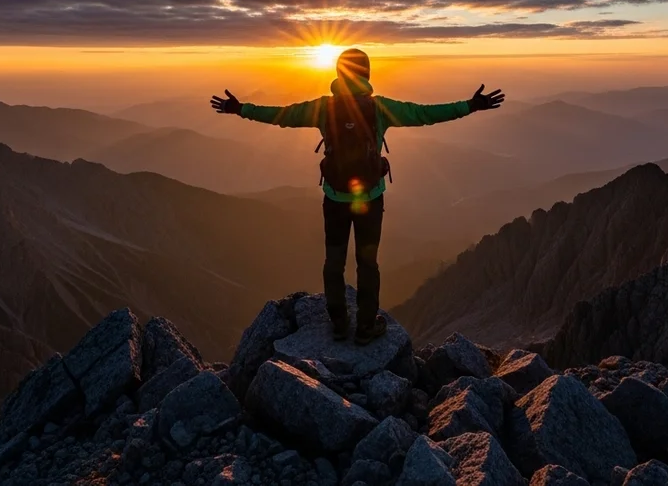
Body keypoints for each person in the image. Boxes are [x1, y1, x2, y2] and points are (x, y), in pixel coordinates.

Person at [210, 48, 504, 345]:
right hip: (370, 199)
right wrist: (470, 105)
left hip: (335, 198)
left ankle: (339, 323)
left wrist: (241, 109)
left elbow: (281, 115)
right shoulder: (379, 108)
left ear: (339, 73)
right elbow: (425, 114)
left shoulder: (324, 108)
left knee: (334, 260)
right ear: (367, 73)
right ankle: (366, 326)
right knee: (368, 263)